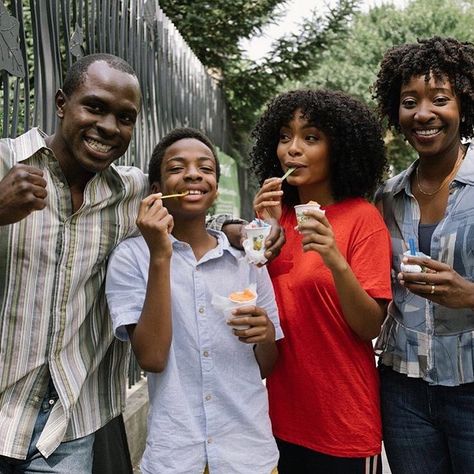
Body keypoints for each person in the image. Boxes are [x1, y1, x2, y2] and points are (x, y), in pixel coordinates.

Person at [0, 54, 284, 473]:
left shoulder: (128, 190)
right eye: (94, 107)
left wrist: (236, 228)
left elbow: (190, 208)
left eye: (125, 117)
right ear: (61, 102)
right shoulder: (6, 164)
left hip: (66, 425)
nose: (109, 127)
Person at [105, 127, 283, 474]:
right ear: (156, 190)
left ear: (214, 187)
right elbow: (153, 359)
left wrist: (263, 335)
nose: (192, 174)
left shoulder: (247, 258)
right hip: (175, 456)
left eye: (205, 168)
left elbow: (266, 366)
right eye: (176, 168)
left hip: (248, 455)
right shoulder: (132, 258)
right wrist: (160, 255)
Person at [252, 89, 392, 474]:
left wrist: (333, 258)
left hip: (342, 424)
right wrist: (260, 232)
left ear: (339, 149)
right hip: (279, 420)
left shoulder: (361, 218)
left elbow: (368, 326)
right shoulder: (273, 222)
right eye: (284, 137)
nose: (291, 150)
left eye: (310, 138)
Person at [372, 36, 474, 474]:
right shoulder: (387, 197)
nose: (423, 113)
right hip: (403, 389)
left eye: (440, 99)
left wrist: (469, 294)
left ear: (465, 105)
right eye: (409, 101)